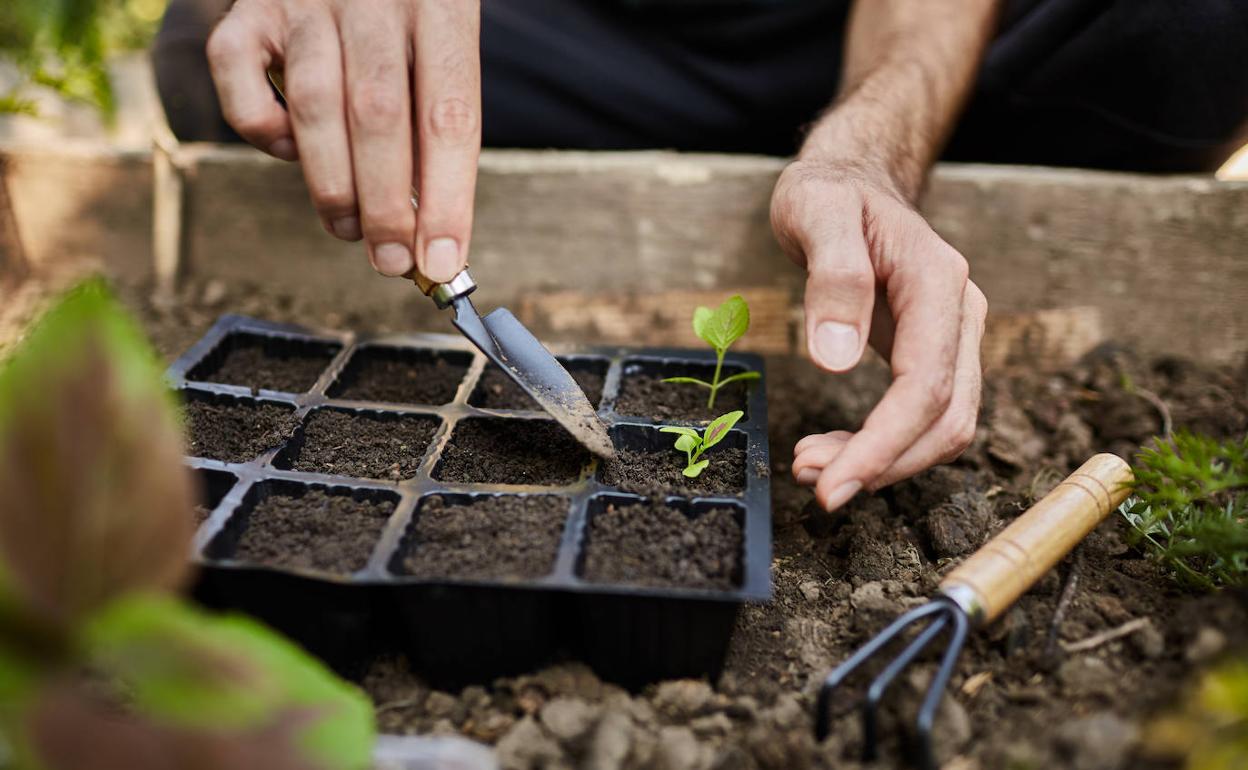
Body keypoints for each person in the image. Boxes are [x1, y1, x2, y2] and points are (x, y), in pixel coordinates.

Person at [157, 0, 1248, 512]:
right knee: (220, 50)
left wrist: (867, 156)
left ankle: (827, 150)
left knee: (1196, 33)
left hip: (857, 36)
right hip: (598, 38)